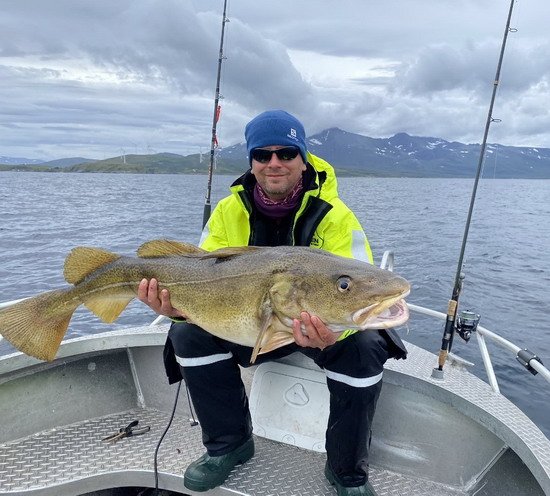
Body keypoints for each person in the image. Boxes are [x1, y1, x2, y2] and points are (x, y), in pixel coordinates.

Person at [138, 110, 407, 496]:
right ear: (251, 161)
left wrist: (335, 332)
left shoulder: (335, 217)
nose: (274, 163)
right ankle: (229, 446)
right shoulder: (228, 212)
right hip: (249, 322)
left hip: (318, 326)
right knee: (187, 335)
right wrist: (175, 308)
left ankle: (347, 473)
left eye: (286, 153)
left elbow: (357, 283)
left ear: (303, 159)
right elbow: (203, 275)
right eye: (263, 155)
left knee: (366, 347)